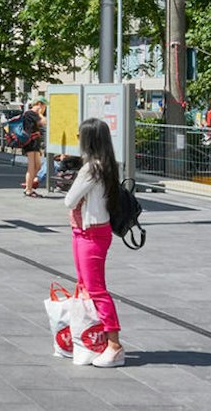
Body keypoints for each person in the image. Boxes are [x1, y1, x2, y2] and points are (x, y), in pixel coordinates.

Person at [64, 116, 127, 367]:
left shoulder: (92, 168)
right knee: (86, 286)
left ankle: (114, 344)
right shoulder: (108, 165)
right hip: (89, 231)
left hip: (90, 233)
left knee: (95, 288)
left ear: (89, 140)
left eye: (81, 136)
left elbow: (69, 200)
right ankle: (93, 339)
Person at [19, 99, 47, 197]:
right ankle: (28, 189)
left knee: (38, 165)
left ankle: (29, 185)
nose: (44, 109)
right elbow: (43, 122)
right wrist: (40, 113)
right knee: (31, 167)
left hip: (34, 142)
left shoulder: (29, 114)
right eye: (44, 106)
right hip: (31, 143)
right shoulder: (32, 113)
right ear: (39, 104)